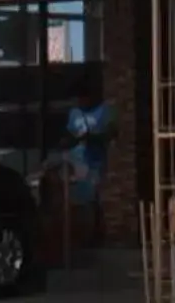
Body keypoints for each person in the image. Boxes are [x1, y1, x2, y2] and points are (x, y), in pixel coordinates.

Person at [60, 74, 116, 232]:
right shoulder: (74, 113)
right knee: (79, 200)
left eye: (82, 99)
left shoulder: (103, 111)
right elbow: (69, 135)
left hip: (96, 163)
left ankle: (97, 231)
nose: (80, 103)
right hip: (77, 162)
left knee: (95, 200)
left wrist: (92, 138)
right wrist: (68, 142)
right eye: (78, 100)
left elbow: (111, 134)